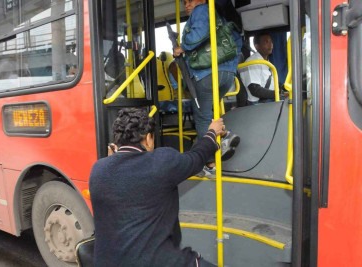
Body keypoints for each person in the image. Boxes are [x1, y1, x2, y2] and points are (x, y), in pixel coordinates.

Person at [89, 107, 225, 267]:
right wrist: (211, 132)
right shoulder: (162, 161)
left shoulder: (98, 169)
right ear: (148, 138)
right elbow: (197, 157)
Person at [173, 0, 242, 176]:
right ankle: (225, 135)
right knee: (210, 112)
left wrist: (182, 47)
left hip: (207, 74)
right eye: (185, 2)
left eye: (191, 0)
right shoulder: (222, 15)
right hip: (226, 74)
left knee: (203, 118)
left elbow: (198, 35)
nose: (187, 5)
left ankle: (210, 164)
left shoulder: (203, 9)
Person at [239, 32, 276, 104]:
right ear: (256, 46)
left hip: (269, 100)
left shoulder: (266, 62)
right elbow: (255, 90)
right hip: (257, 104)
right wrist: (277, 94)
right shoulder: (252, 62)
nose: (270, 44)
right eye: (266, 42)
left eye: (271, 41)